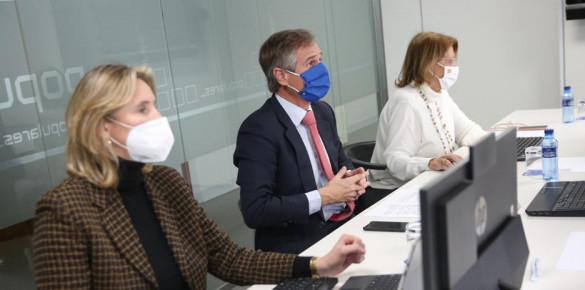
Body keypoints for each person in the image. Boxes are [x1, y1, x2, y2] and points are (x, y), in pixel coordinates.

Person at [32, 64, 366, 289]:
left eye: (154, 105)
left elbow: (227, 257)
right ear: (102, 125)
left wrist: (317, 265)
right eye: (143, 109)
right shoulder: (65, 209)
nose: (159, 118)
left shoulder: (165, 184)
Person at [233, 29, 369, 254]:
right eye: (310, 63)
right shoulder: (258, 129)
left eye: (320, 60)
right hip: (297, 246)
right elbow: (255, 210)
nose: (321, 69)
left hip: (344, 227)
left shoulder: (322, 112)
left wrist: (355, 179)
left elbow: (342, 163)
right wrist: (325, 196)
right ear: (281, 76)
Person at [370, 32, 486, 190]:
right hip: (396, 190)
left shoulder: (440, 94)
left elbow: (467, 131)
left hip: (432, 181)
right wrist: (430, 163)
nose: (454, 67)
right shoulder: (407, 102)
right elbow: (395, 160)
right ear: (429, 65)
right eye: (449, 61)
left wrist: (494, 145)